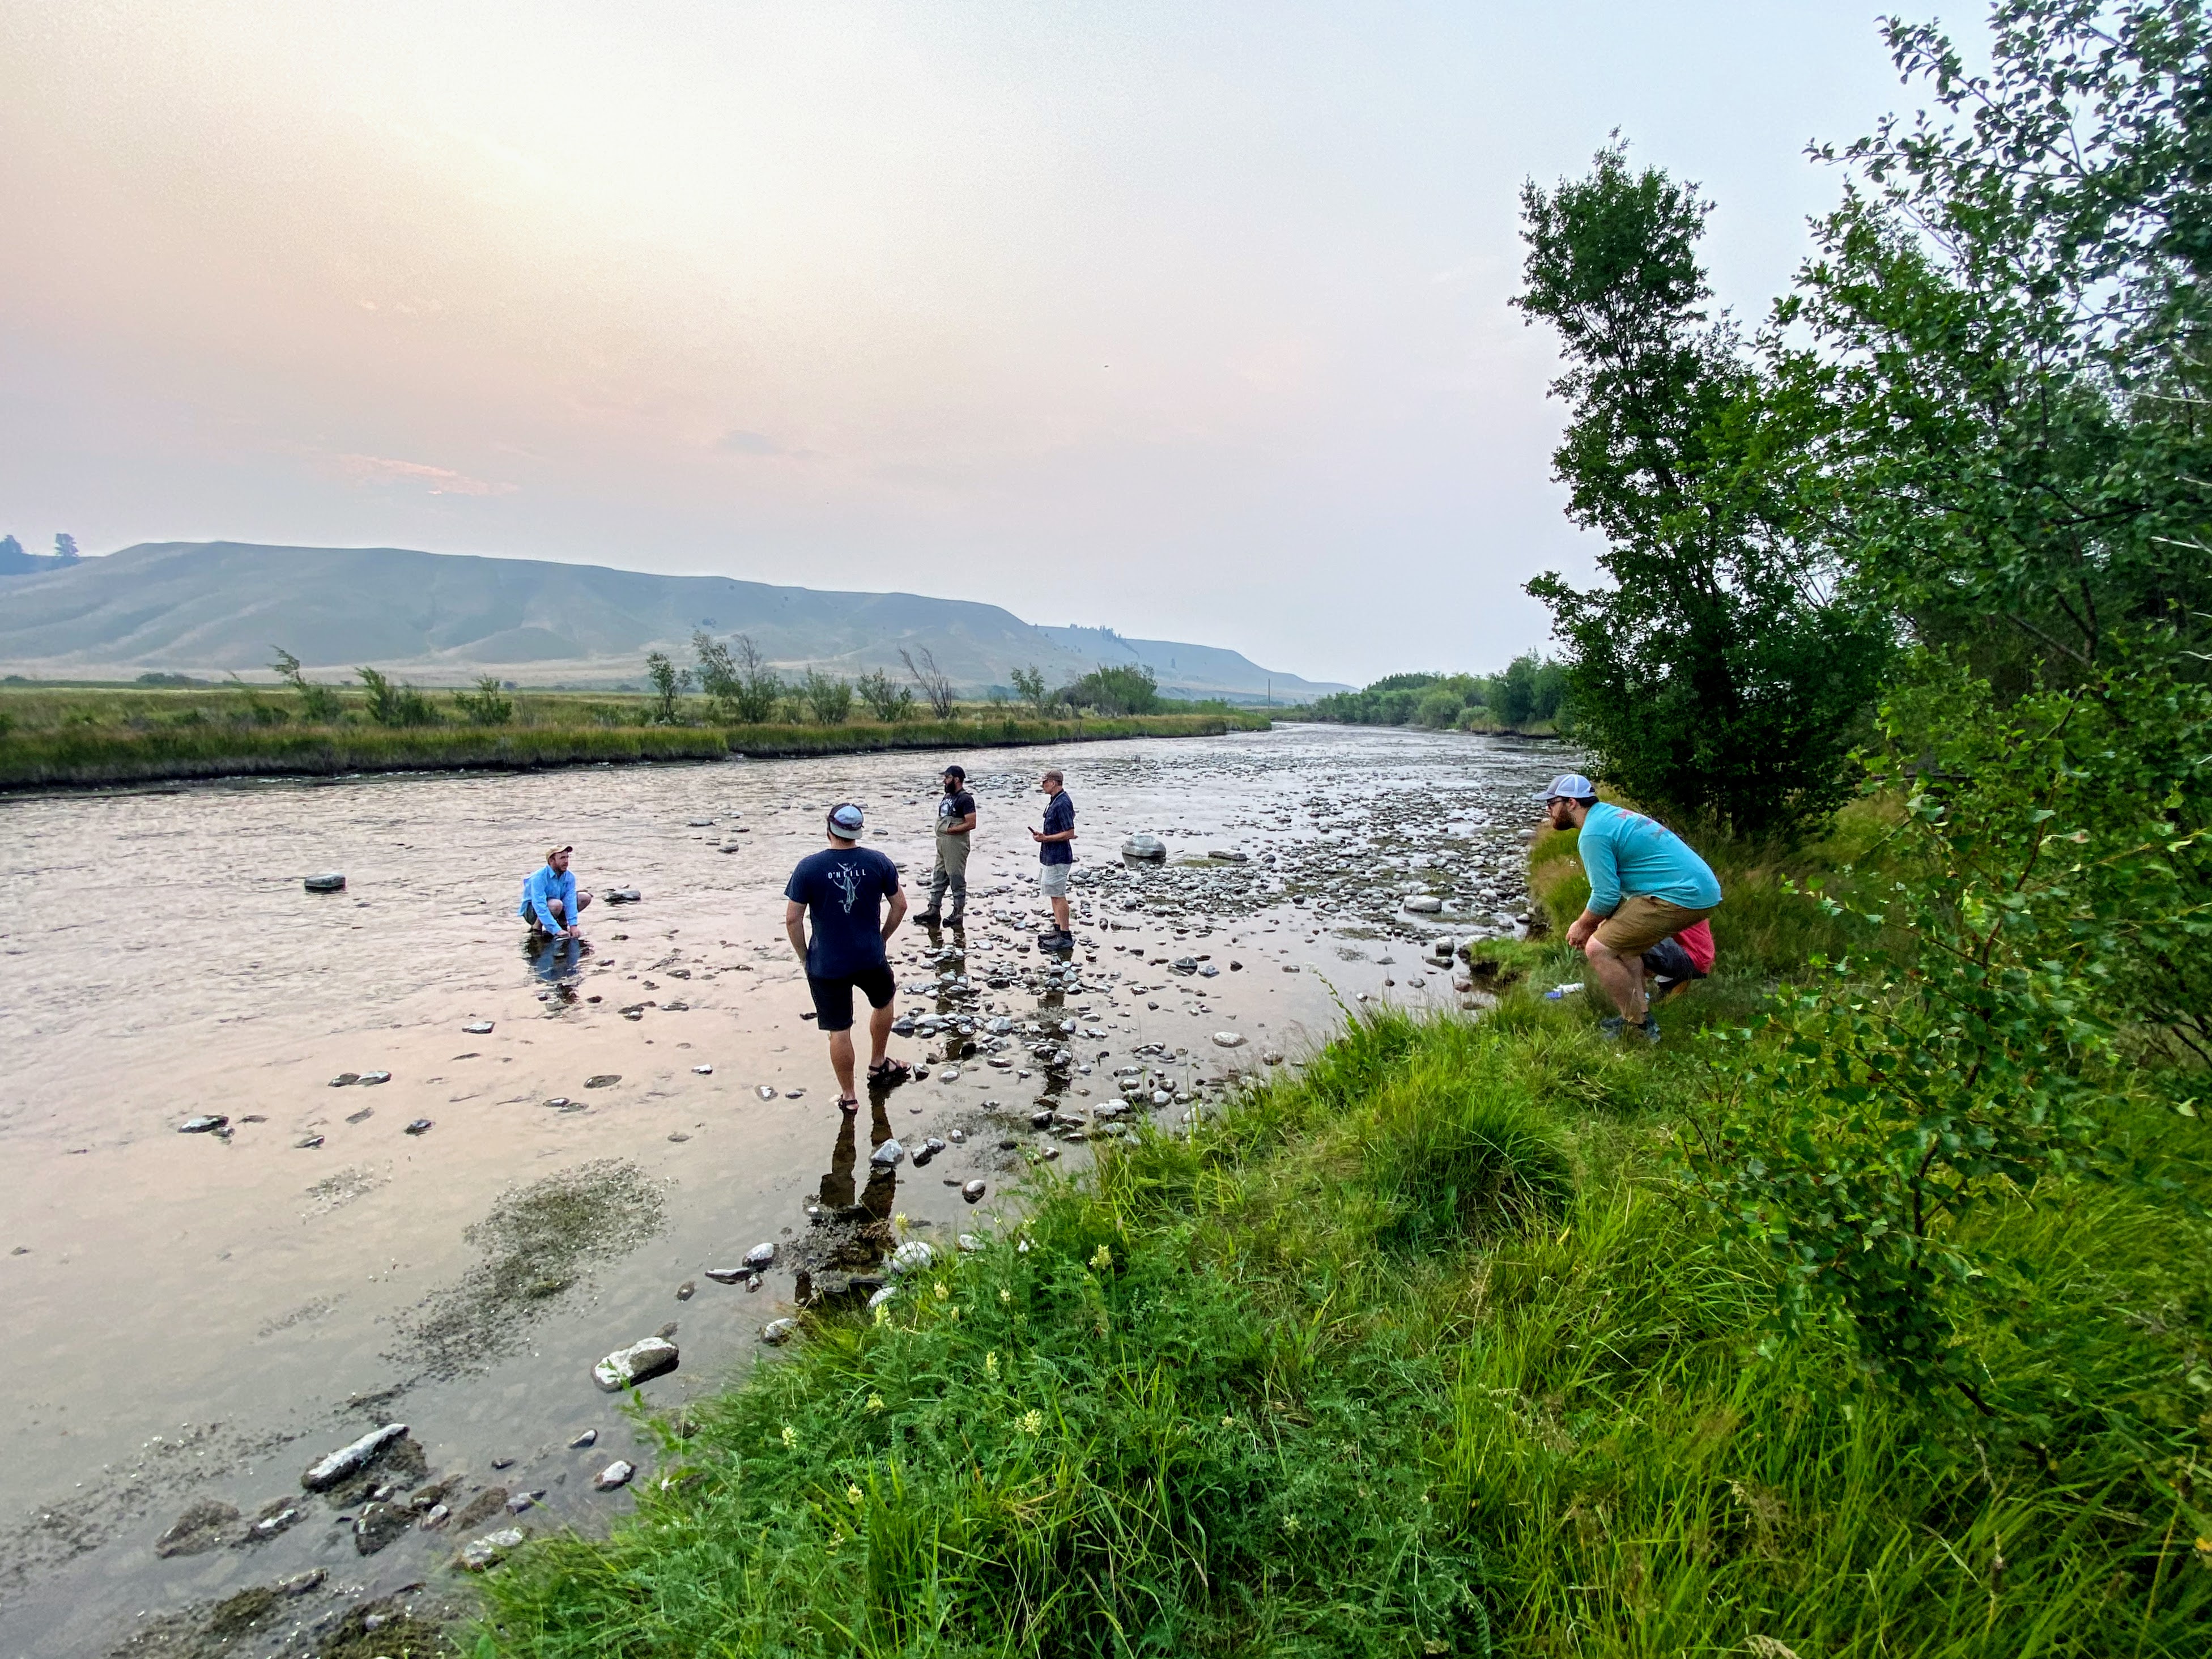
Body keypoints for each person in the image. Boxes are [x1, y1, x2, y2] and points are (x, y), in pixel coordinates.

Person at [1535, 773, 1722, 1043]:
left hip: (1682, 895)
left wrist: (1583, 925)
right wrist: (1600, 923)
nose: (1549, 811)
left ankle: (1637, 1027)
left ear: (1572, 803)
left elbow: (1605, 896)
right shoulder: (1608, 816)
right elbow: (1612, 898)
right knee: (1621, 944)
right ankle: (1640, 1018)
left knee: (1598, 949)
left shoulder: (1593, 834)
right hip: (1697, 890)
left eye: (1552, 804)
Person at [784, 803, 911, 1110]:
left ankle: (849, 1097)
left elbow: (792, 920)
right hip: (870, 957)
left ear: (829, 829)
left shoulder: (808, 868)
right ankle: (878, 1063)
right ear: (858, 832)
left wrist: (805, 956)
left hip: (827, 963)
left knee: (839, 1029)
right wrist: (881, 939)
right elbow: (901, 906)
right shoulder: (878, 862)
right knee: (884, 1002)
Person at [917, 764, 977, 929]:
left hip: (956, 843)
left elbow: (972, 823)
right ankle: (933, 910)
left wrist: (951, 830)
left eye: (947, 778)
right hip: (943, 842)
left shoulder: (966, 799)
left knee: (956, 877)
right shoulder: (947, 797)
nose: (944, 781)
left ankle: (958, 913)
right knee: (939, 876)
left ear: (956, 779)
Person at [1030, 768, 1076, 948]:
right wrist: (1044, 837)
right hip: (1050, 855)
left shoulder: (1062, 803)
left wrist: (1046, 838)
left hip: (1059, 856)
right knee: (1052, 893)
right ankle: (1058, 930)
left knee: (1058, 894)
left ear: (1054, 783)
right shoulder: (1055, 801)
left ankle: (1065, 936)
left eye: (1044, 782)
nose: (1042, 785)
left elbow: (1070, 832)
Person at [520, 845, 590, 938]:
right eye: (562, 858)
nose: (566, 861)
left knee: (585, 897)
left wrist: (573, 926)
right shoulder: (539, 877)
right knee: (556, 904)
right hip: (533, 911)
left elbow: (570, 900)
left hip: (556, 906)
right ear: (551, 861)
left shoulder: (570, 877)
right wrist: (556, 930)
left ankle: (562, 923)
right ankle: (537, 927)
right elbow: (539, 905)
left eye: (567, 857)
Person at [1643, 917, 1715, 1002]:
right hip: (1700, 959)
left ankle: (1641, 997)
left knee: (1632, 942)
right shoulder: (1700, 907)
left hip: (1690, 955)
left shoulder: (1676, 905)